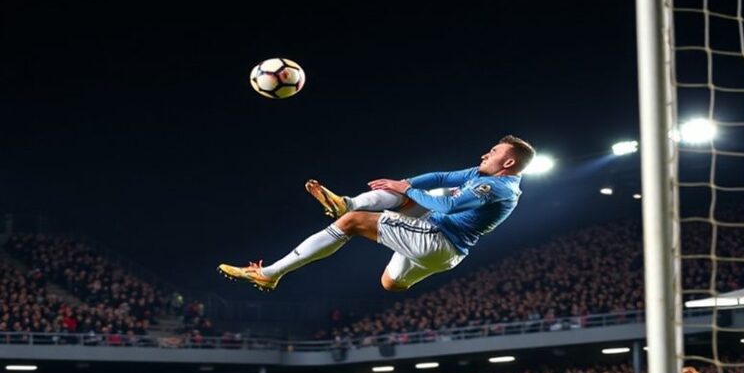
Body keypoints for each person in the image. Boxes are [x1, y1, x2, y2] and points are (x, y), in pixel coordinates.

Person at [219, 135, 535, 292]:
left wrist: (406, 190)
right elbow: (440, 178)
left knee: (354, 222)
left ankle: (271, 273)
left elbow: (448, 206)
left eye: (493, 152)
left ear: (508, 163)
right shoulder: (485, 175)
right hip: (445, 250)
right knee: (390, 283)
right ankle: (349, 203)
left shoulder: (498, 188)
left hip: (438, 239)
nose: (485, 153)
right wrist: (406, 183)